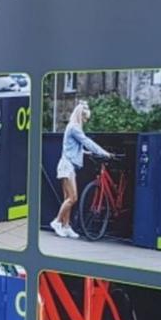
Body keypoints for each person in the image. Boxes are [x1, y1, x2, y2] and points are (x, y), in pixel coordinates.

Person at [52, 101, 114, 239]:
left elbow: (73, 148)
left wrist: (87, 153)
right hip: (67, 166)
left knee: (67, 198)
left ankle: (67, 226)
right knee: (73, 197)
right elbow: (87, 142)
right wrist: (104, 153)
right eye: (85, 119)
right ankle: (57, 222)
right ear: (81, 116)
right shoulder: (74, 128)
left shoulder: (71, 127)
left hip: (66, 165)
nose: (85, 121)